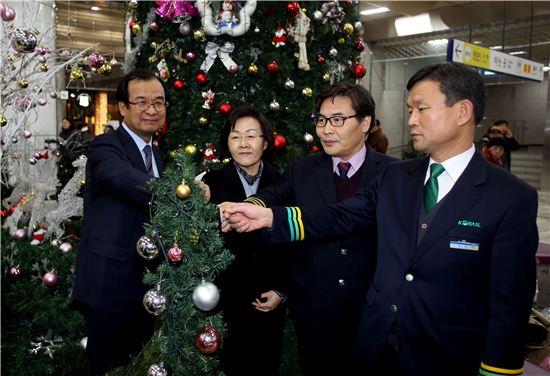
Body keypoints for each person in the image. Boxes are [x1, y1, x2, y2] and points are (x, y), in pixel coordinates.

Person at [222, 62, 539, 376]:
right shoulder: (398, 176)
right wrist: (268, 217)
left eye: (421, 108)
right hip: (378, 350)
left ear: (462, 111)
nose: (411, 120)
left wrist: (498, 371)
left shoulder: (510, 197)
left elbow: (510, 305)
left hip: (450, 356)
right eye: (409, 109)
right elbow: (342, 215)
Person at [243, 83, 396, 375]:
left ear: (365, 123)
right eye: (321, 120)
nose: (326, 129)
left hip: (369, 309)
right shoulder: (302, 169)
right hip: (314, 308)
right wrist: (251, 205)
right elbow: (275, 195)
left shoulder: (393, 172)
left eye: (337, 120)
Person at [73, 69, 167, 375]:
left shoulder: (156, 153)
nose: (152, 110)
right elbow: (120, 177)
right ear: (123, 108)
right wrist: (175, 193)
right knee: (109, 368)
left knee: (138, 365)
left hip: (144, 288)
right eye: (141, 102)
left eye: (159, 102)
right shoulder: (105, 146)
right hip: (108, 287)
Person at [199, 105, 286, 376]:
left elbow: (296, 244)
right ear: (227, 142)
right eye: (236, 136)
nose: (244, 144)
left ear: (266, 141)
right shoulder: (210, 183)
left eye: (251, 135)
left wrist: (283, 290)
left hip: (267, 299)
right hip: (224, 299)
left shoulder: (284, 183)